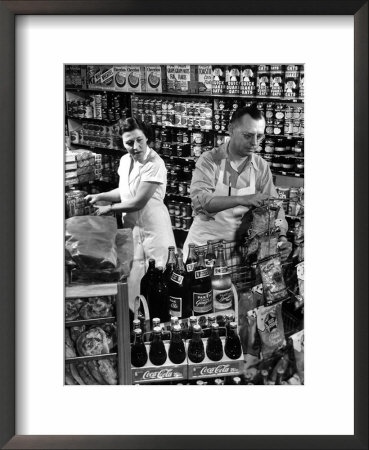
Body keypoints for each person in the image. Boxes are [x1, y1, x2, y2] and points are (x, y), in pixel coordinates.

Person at [85, 117, 176, 308]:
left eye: (139, 140)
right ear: (122, 144)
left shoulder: (154, 163)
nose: (135, 146)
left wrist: (109, 208)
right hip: (133, 229)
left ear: (147, 138)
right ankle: (136, 322)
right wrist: (101, 196)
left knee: (158, 277)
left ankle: (159, 322)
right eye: (129, 142)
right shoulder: (125, 161)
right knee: (133, 275)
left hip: (154, 228)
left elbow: (137, 201)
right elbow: (125, 192)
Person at [183, 104, 290, 260]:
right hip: (204, 248)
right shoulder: (210, 160)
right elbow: (201, 202)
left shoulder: (260, 166)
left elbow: (275, 207)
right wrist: (243, 199)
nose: (254, 142)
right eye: (248, 135)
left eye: (259, 136)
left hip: (239, 255)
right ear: (231, 129)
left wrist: (281, 235)